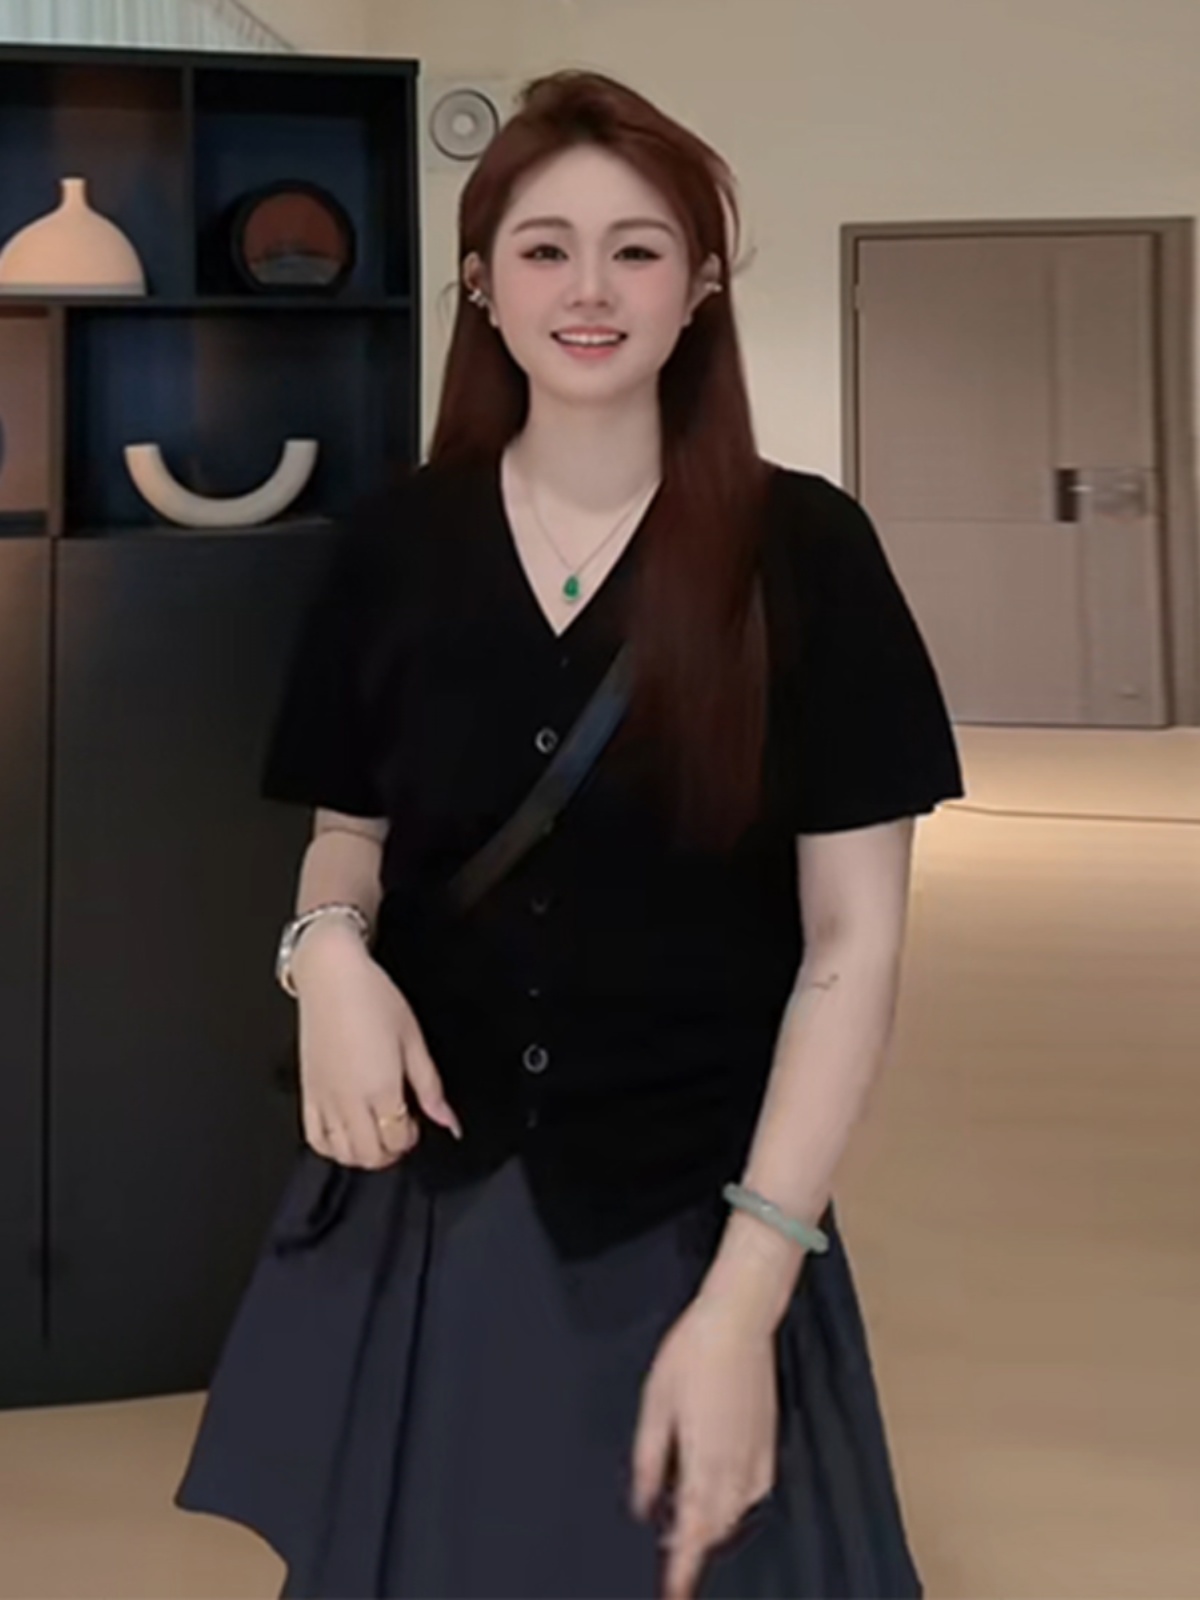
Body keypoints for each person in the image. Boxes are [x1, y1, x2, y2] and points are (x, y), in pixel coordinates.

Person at [175, 68, 965, 1600]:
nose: (588, 290)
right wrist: (326, 955)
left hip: (697, 1207)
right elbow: (350, 833)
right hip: (442, 1205)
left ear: (702, 283)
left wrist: (747, 1298)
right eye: (545, 249)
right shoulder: (396, 544)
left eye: (637, 249)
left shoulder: (807, 550)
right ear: (482, 283)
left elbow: (851, 947)